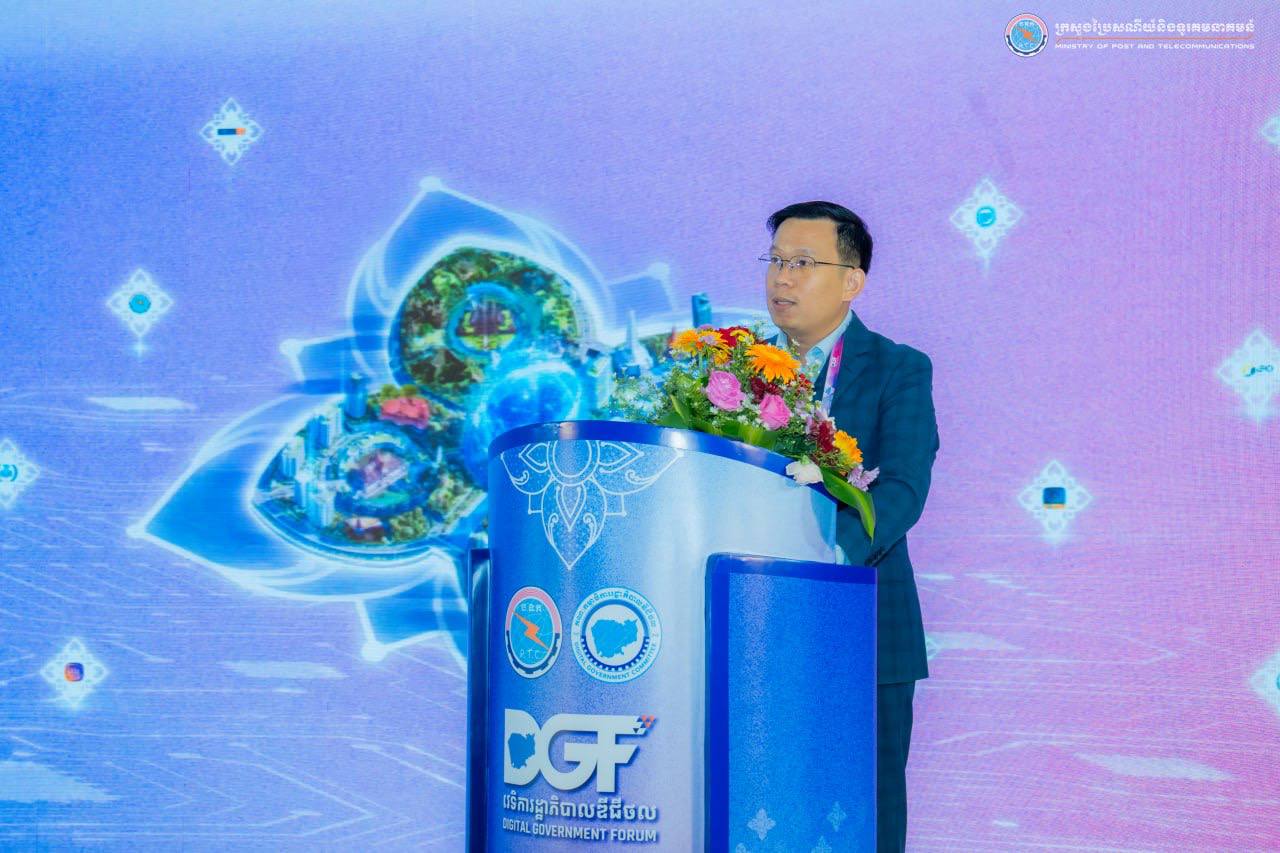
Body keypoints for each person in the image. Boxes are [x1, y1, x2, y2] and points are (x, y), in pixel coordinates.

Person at [762, 200, 940, 852]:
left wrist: (826, 553)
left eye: (803, 263)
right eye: (776, 261)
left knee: (865, 813)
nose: (782, 277)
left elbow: (902, 489)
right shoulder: (736, 372)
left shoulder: (899, 368)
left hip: (865, 624)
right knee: (759, 799)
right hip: (753, 624)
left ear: (851, 280)